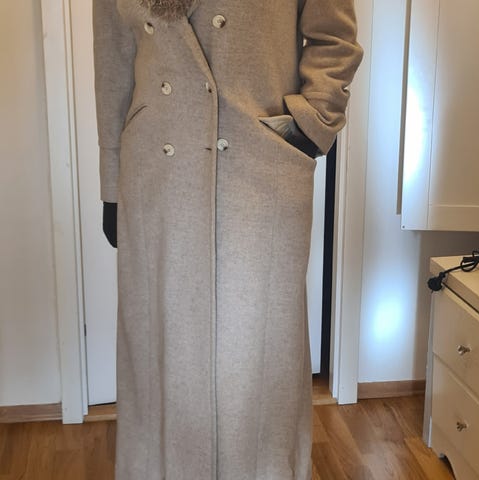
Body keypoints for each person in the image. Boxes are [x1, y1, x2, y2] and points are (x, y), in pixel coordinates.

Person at [92, 1, 363, 478]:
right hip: (157, 171)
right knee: (164, 352)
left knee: (260, 354)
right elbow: (113, 57)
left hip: (258, 167)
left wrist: (308, 125)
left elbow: (334, 38)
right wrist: (112, 184)